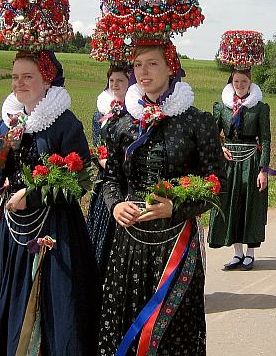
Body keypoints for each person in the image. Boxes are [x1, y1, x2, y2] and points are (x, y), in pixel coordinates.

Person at [0, 0, 99, 355]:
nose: (19, 84)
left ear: (47, 79)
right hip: (12, 234)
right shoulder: (7, 123)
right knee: (10, 312)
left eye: (27, 76)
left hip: (56, 233)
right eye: (14, 76)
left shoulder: (66, 124)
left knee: (56, 313)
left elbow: (79, 181)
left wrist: (35, 193)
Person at [97, 42, 226, 355]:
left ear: (171, 68)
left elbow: (216, 183)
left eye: (152, 64)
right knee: (126, 319)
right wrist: (116, 205)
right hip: (130, 242)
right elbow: (110, 179)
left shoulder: (196, 122)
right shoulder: (122, 123)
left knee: (174, 328)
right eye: (138, 65)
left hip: (176, 241)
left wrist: (176, 207)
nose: (143, 72)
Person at [208, 30, 270, 271]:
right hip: (229, 162)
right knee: (230, 203)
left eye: (244, 82)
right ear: (231, 83)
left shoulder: (260, 108)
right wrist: (220, 147)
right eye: (236, 82)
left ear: (250, 82)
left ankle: (250, 253)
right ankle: (236, 252)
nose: (240, 85)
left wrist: (263, 169)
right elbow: (212, 135)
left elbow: (265, 138)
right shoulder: (221, 107)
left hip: (251, 161)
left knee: (249, 205)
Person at [87, 63, 130, 279]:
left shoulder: (137, 113)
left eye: (120, 81)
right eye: (112, 80)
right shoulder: (100, 115)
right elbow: (98, 149)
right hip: (108, 179)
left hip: (131, 180)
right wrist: (111, 166)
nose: (115, 84)